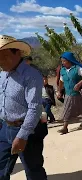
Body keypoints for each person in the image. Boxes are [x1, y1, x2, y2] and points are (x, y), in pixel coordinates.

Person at [0, 35, 47, 179]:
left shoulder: (31, 75)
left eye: (5, 56)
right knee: (1, 169)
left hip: (27, 130)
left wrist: (22, 136)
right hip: (4, 128)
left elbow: (35, 107)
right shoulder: (2, 74)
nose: (1, 61)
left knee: (33, 171)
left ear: (18, 53)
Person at [57, 52, 82, 134]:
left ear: (69, 61)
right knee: (67, 109)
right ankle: (65, 127)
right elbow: (61, 81)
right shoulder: (63, 70)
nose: (63, 63)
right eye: (62, 61)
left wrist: (79, 84)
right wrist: (59, 91)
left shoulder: (77, 68)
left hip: (79, 93)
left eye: (64, 61)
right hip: (69, 94)